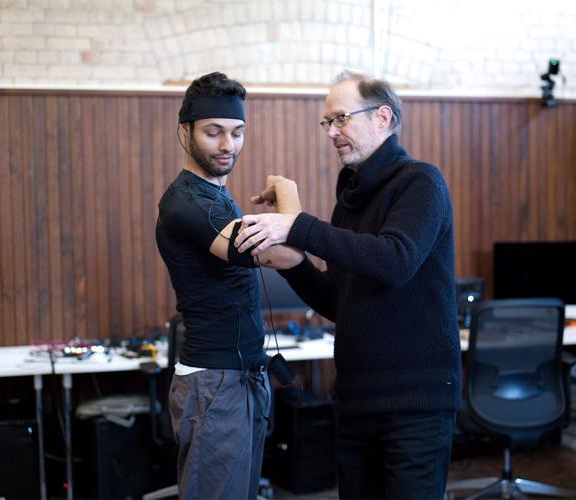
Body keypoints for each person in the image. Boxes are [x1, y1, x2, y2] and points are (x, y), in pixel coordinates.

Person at [235, 70, 462, 499]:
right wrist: (290, 263)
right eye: (327, 123)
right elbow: (339, 301)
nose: (332, 132)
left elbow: (395, 260)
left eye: (341, 118)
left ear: (382, 117)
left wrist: (297, 227)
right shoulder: (350, 202)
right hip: (357, 402)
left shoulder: (420, 182)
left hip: (416, 406)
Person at [155, 71, 303, 499]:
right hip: (214, 383)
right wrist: (287, 192)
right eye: (213, 132)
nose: (227, 145)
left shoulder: (218, 198)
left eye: (237, 132)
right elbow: (288, 255)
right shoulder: (188, 203)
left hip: (240, 376)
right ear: (185, 131)